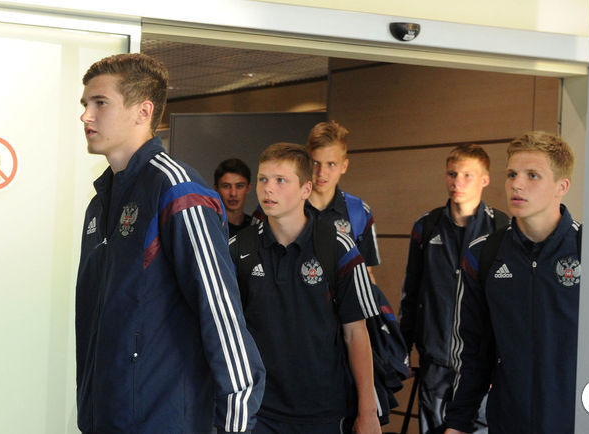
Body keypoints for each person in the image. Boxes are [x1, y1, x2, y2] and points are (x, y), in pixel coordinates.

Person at [74, 53, 265, 434]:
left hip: (163, 422)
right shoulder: (102, 202)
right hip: (105, 419)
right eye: (85, 104)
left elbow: (221, 314)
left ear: (143, 111)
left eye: (100, 103)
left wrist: (235, 424)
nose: (85, 116)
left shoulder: (178, 192)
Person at [230, 142, 382, 434]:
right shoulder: (238, 249)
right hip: (259, 410)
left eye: (280, 180)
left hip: (323, 410)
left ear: (306, 189)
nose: (268, 188)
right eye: (263, 179)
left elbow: (356, 333)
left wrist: (368, 412)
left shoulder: (338, 246)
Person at [444, 132, 580, 434]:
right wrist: (458, 422)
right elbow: (473, 351)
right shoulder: (484, 253)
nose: (517, 184)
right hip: (507, 422)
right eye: (511, 174)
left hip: (578, 422)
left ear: (562, 186)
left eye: (533, 175)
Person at [398, 144, 505, 434]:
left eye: (468, 175)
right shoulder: (426, 226)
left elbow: (508, 307)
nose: (458, 182)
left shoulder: (502, 228)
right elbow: (411, 294)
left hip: (482, 367)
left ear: (485, 179)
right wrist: (402, 350)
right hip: (435, 363)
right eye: (452, 174)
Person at [305, 120, 381, 283]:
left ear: (344, 166)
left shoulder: (360, 212)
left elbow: (366, 274)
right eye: (316, 163)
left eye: (331, 164)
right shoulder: (285, 208)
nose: (321, 172)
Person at [214, 158, 253, 237]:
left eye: (239, 186)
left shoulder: (255, 228)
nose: (233, 193)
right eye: (226, 186)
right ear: (216, 189)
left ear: (248, 188)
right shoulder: (210, 227)